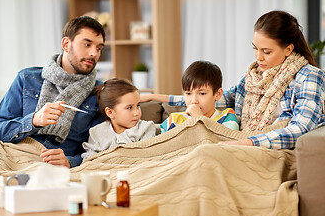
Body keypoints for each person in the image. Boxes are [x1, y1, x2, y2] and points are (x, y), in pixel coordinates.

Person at [142, 10, 325, 149]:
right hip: (239, 144)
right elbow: (211, 97)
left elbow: (300, 128)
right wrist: (156, 97)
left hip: (270, 150)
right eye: (255, 48)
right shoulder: (252, 78)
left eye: (266, 51)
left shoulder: (309, 77)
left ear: (288, 49)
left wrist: (247, 142)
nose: (258, 57)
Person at [0, 16, 106, 168]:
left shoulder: (99, 93)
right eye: (87, 44)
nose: (94, 54)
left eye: (99, 48)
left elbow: (101, 147)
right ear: (66, 44)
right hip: (16, 156)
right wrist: (33, 120)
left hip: (59, 168)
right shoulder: (27, 78)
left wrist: (70, 162)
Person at [81, 78, 156, 160]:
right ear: (110, 113)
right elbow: (89, 159)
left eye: (138, 105)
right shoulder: (96, 132)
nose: (136, 113)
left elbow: (147, 156)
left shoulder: (146, 128)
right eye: (129, 107)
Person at [160, 60, 239, 133]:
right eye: (188, 93)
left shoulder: (227, 117)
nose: (194, 101)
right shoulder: (173, 120)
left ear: (217, 94)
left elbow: (228, 143)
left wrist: (199, 118)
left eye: (202, 94)